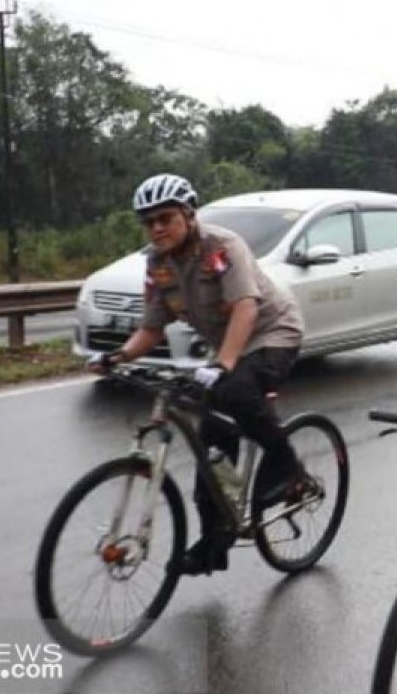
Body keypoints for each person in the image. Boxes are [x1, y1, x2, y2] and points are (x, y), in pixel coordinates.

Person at [87, 173, 306, 575]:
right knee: (211, 447)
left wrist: (223, 365)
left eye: (165, 218)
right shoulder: (158, 265)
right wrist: (116, 357)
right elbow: (151, 328)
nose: (156, 228)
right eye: (148, 221)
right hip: (230, 343)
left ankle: (285, 463)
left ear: (188, 216)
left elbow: (245, 307)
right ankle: (213, 545)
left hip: (273, 331)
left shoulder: (222, 247)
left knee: (238, 390)